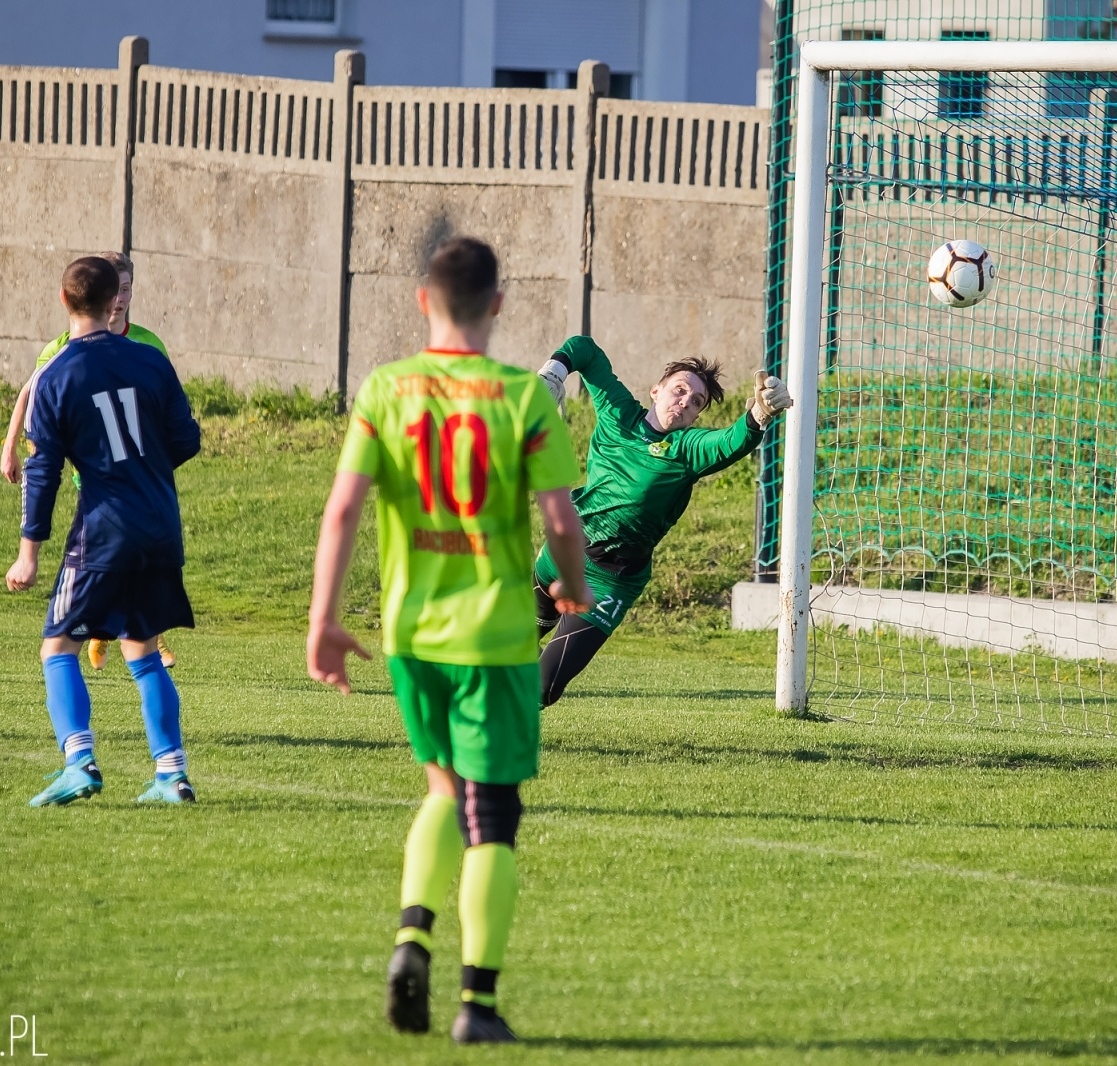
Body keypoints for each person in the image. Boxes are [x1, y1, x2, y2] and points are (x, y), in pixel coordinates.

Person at [305, 236, 590, 1044]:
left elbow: (342, 511)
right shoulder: (520, 399)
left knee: (440, 791)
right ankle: (478, 1004)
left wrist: (324, 619)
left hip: (411, 636)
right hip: (496, 639)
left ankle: (410, 940)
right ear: (498, 305)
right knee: (492, 813)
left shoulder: (387, 389)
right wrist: (570, 585)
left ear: (423, 301)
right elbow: (562, 519)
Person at [6, 256, 202, 808]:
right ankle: (171, 775)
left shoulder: (57, 373)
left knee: (57, 646)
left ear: (66, 302)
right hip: (160, 525)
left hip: (104, 531)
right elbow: (186, 439)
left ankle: (79, 762)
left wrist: (28, 553)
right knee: (142, 648)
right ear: (116, 298)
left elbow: (42, 471)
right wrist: (142, 470)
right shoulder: (150, 360)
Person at [533, 336, 793, 705]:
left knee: (543, 686)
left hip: (611, 580)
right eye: (680, 389)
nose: (685, 401)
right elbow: (585, 350)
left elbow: (731, 441)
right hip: (563, 551)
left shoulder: (687, 450)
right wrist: (554, 372)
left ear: (696, 416)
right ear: (656, 391)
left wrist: (760, 415)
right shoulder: (618, 412)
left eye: (696, 402)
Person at [0, 251, 177, 670]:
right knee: (119, 551)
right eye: (116, 290)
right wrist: (10, 444)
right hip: (95, 477)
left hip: (139, 475)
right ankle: (116, 636)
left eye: (128, 289)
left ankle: (128, 638)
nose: (120, 299)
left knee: (123, 556)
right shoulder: (62, 350)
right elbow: (33, 392)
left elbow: (168, 407)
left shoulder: (149, 346)